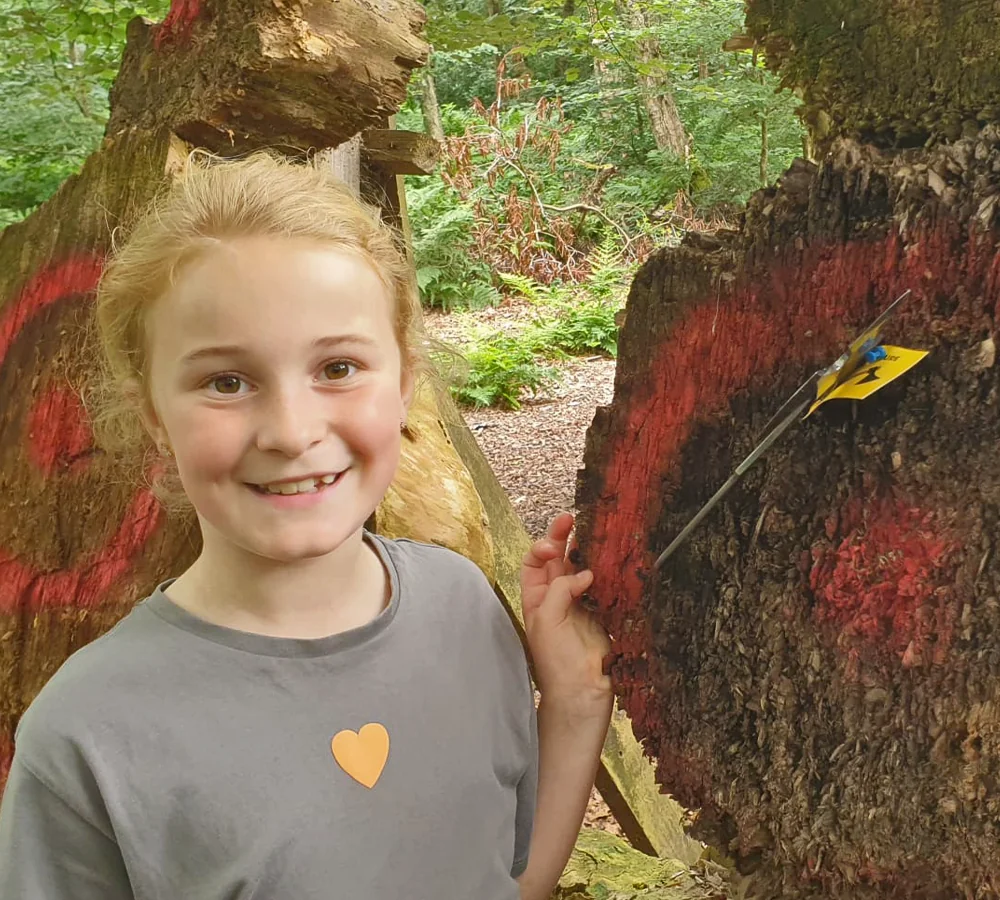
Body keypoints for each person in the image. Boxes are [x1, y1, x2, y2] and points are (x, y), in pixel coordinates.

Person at [0, 151, 613, 899]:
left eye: (337, 368)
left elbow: (507, 882)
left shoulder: (465, 608)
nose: (291, 432)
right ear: (154, 416)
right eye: (226, 382)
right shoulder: (87, 737)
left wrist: (576, 702)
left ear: (404, 384)